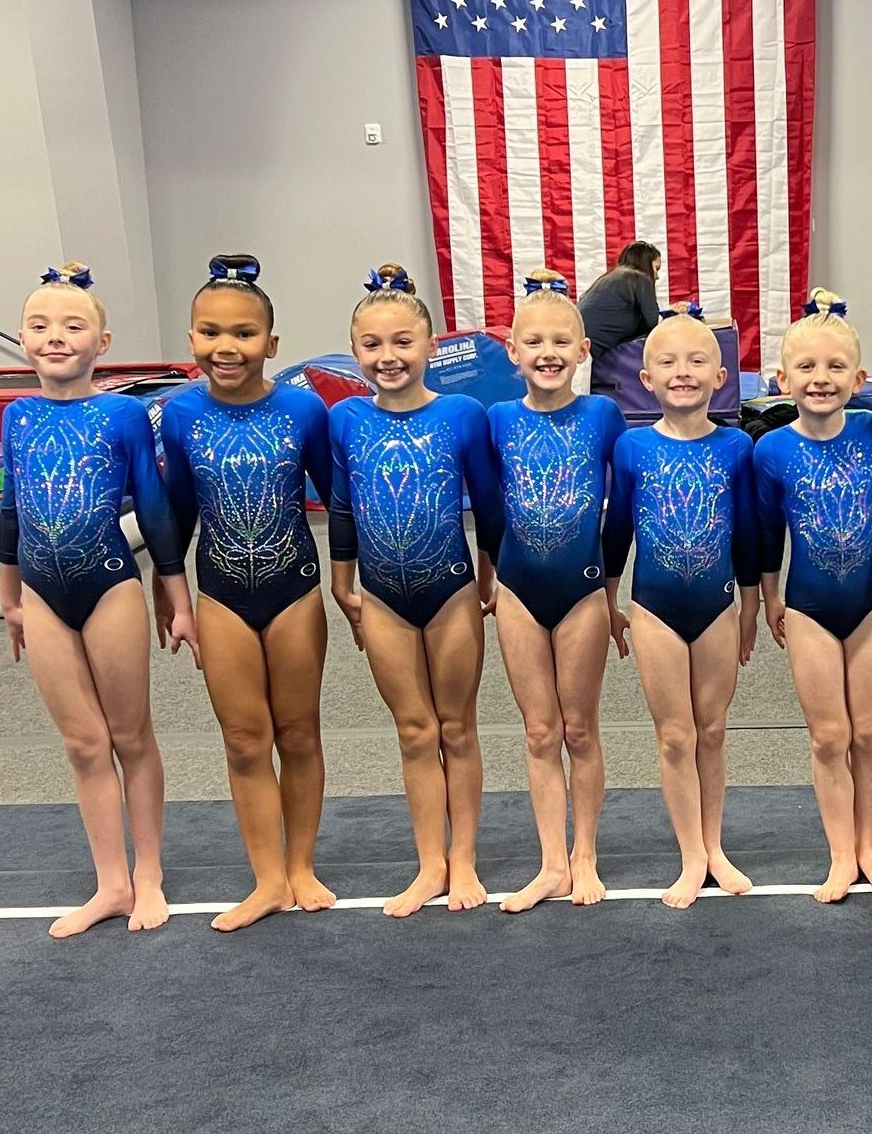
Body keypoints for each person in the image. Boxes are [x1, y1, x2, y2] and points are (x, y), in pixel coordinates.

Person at [0, 263, 197, 938]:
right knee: (83, 744)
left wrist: (180, 598)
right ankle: (110, 881)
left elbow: (156, 507)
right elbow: (11, 510)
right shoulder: (17, 415)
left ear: (102, 342)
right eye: (40, 325)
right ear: (21, 338)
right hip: (41, 591)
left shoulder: (122, 414)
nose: (56, 337)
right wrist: (9, 598)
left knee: (128, 735)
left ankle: (148, 874)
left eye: (73, 326)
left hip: (109, 584)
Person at [158, 254, 338, 931]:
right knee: (242, 739)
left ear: (272, 344)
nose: (224, 347)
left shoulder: (303, 409)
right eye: (209, 332)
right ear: (191, 339)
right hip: (221, 593)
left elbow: (337, 500)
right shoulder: (179, 415)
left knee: (297, 732)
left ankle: (302, 867)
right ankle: (266, 879)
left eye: (241, 333)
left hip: (294, 590)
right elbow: (176, 509)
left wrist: (351, 582)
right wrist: (168, 587)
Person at [328, 264, 504, 917]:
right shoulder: (346, 419)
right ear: (355, 352)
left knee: (456, 726)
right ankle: (429, 863)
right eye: (372, 345)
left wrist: (488, 577)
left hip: (453, 590)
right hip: (380, 597)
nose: (388, 356)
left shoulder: (461, 414)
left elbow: (488, 504)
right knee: (412, 729)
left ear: (431, 347)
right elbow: (343, 505)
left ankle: (465, 861)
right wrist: (344, 585)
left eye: (402, 342)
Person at [602, 308, 761, 908]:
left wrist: (750, 604)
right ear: (646, 379)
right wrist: (609, 594)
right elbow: (617, 528)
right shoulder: (632, 446)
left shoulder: (737, 446)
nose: (683, 372)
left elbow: (746, 532)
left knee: (713, 730)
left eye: (697, 361)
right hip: (653, 608)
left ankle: (715, 847)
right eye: (667, 362)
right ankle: (691, 854)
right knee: (674, 736)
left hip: (718, 605)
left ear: (722, 375)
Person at [755, 288, 872, 903]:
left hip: (871, 606)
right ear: (783, 378)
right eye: (808, 368)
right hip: (809, 608)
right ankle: (840, 853)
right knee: (828, 737)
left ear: (860, 377)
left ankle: (869, 846)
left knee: (869, 733)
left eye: (835, 367)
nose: (822, 379)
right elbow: (767, 535)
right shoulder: (771, 449)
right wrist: (768, 599)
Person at [487, 268, 628, 913]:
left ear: (582, 351)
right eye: (534, 342)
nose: (548, 353)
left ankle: (586, 856)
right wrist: (488, 576)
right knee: (539, 731)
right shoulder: (496, 419)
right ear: (512, 352)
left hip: (583, 588)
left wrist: (614, 590)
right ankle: (550, 863)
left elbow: (623, 508)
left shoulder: (603, 415)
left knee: (579, 729)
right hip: (517, 588)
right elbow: (489, 508)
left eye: (561, 341)